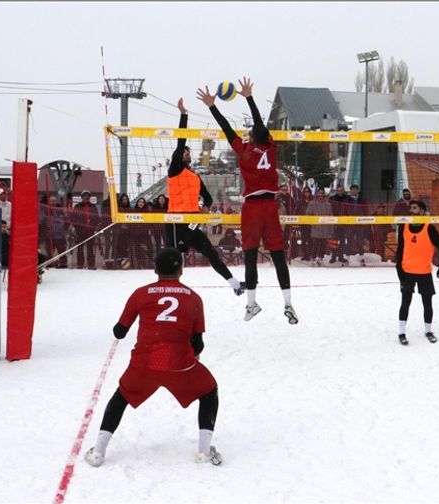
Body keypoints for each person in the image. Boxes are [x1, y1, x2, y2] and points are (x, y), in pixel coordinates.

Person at [84, 248, 222, 467]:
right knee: (209, 391)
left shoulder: (141, 293)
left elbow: (119, 332)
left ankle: (98, 451)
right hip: (179, 363)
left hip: (145, 361)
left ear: (155, 269)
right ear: (181, 271)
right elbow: (198, 344)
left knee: (121, 397)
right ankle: (204, 451)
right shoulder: (194, 298)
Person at [197, 77, 297, 324]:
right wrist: (249, 97)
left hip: (253, 208)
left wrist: (212, 105)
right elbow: (260, 124)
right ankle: (288, 304)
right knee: (277, 256)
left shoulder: (244, 152)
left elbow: (227, 129)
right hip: (271, 207)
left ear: (252, 139)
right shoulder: (271, 149)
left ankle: (251, 304)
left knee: (250, 255)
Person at [166, 98, 243, 296]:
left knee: (211, 252)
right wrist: (184, 114)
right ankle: (168, 290)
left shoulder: (195, 176)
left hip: (193, 221)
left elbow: (207, 199)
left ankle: (235, 284)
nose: (187, 153)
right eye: (184, 152)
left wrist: (205, 207)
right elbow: (181, 139)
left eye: (188, 152)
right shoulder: (175, 170)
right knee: (173, 258)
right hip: (176, 220)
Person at [395, 200, 439, 346]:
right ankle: (401, 332)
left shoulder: (429, 228)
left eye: (415, 208)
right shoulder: (404, 226)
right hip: (407, 271)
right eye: (410, 207)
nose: (411, 210)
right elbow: (400, 250)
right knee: (405, 303)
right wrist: (398, 269)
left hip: (424, 272)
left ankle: (428, 331)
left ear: (422, 211)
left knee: (427, 303)